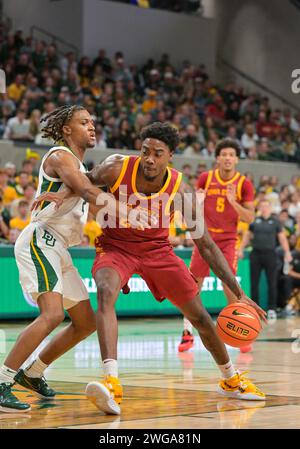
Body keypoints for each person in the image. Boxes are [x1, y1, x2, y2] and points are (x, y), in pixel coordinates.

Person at [36, 123, 266, 415]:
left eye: (158, 154)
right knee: (106, 291)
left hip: (158, 251)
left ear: (170, 156)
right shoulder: (116, 167)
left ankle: (231, 379)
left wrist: (238, 292)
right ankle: (111, 381)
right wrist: (61, 195)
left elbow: (206, 245)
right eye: (145, 151)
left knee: (200, 317)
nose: (149, 159)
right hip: (115, 246)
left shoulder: (180, 190)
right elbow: (84, 183)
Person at [0, 105, 147, 413]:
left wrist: (121, 260)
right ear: (67, 130)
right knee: (52, 314)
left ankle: (33, 372)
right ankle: (3, 381)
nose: (91, 127)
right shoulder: (59, 156)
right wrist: (129, 212)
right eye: (83, 122)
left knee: (85, 322)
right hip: (40, 240)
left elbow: (94, 205)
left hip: (60, 247)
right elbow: (86, 191)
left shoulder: (81, 166)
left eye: (92, 122)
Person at [179, 138, 255, 353]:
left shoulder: (244, 184)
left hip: (228, 240)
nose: (228, 158)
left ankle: (241, 332)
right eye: (224, 154)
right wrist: (198, 201)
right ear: (218, 158)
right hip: (205, 239)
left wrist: (233, 202)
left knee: (231, 287)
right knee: (193, 287)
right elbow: (192, 207)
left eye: (232, 155)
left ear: (237, 159)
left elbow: (249, 217)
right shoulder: (205, 178)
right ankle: (187, 333)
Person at [239, 199, 292, 320]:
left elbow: (282, 238)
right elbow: (247, 236)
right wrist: (241, 249)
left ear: (270, 208)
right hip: (256, 254)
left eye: (266, 206)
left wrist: (287, 252)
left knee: (272, 282)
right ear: (259, 208)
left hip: (270, 254)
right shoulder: (254, 221)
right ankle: (254, 308)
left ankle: (272, 308)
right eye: (262, 206)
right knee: (254, 283)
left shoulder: (275, 222)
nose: (264, 208)